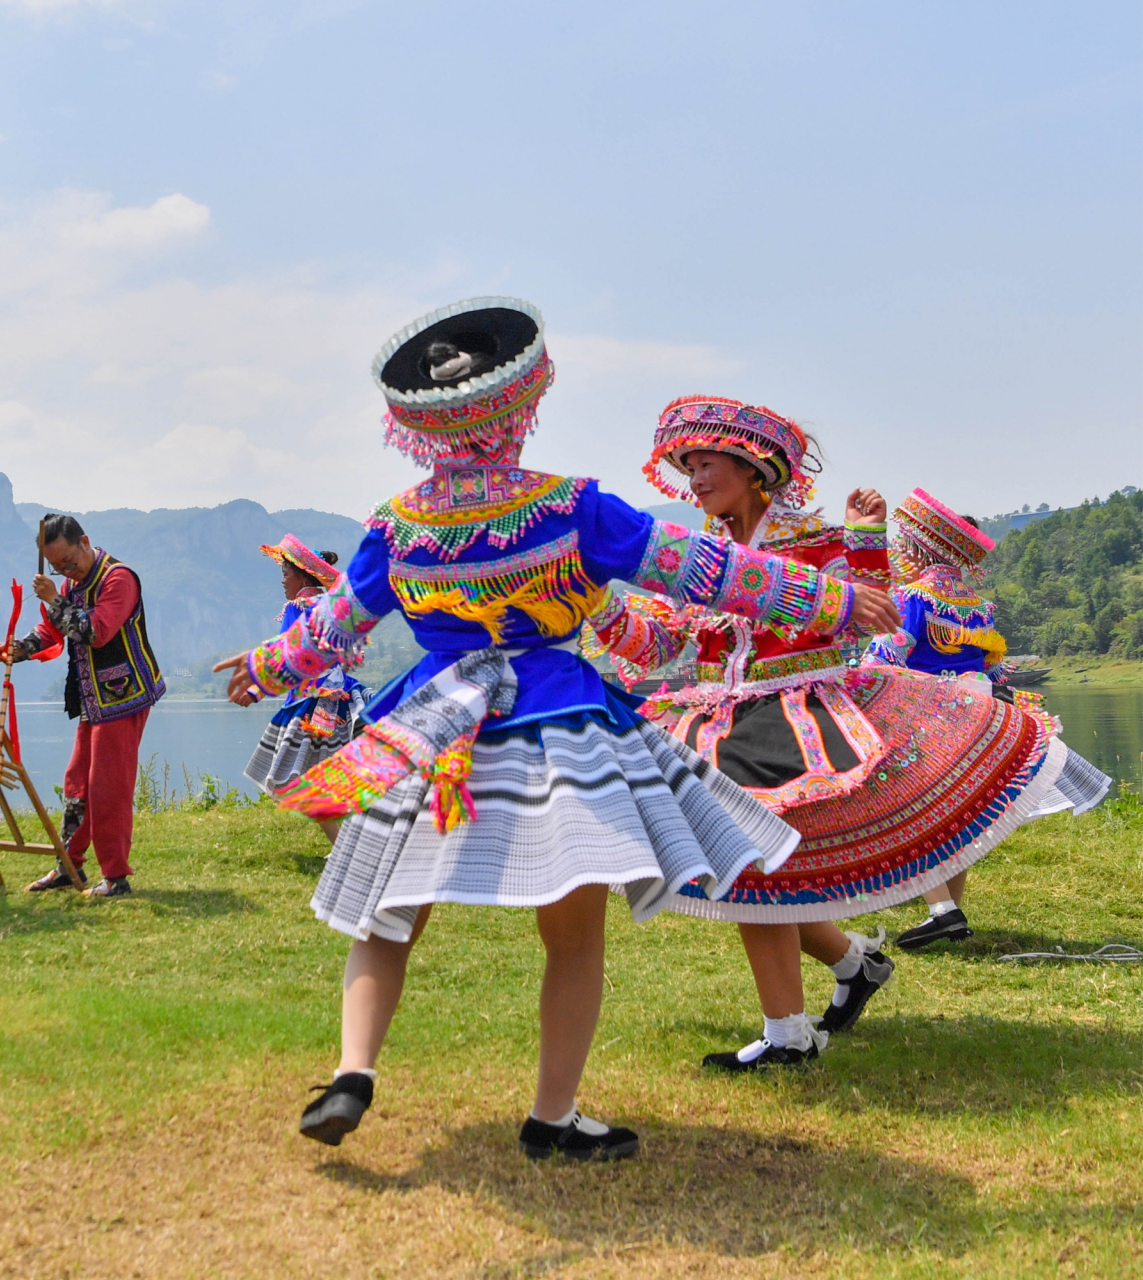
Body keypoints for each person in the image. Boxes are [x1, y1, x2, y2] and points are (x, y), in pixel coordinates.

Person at [212, 298, 896, 1162]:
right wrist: (834, 597)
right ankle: (551, 1114)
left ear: (421, 427)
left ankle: (353, 1070)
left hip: (433, 723)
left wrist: (265, 668)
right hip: (553, 721)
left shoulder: (397, 524)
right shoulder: (570, 507)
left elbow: (335, 624)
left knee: (387, 914)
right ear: (519, 407)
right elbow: (702, 570)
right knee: (571, 936)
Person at [591, 398, 1070, 1071]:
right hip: (718, 720)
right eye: (686, 467)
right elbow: (655, 643)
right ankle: (852, 964)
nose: (693, 479)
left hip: (795, 719)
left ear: (752, 467)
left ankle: (790, 1030)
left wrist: (866, 538)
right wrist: (592, 596)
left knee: (751, 872)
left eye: (705, 464)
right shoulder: (699, 560)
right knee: (754, 874)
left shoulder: (813, 542)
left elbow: (874, 621)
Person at [863, 488, 1111, 949]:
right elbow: (993, 668)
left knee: (910, 811)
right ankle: (950, 917)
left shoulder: (913, 597)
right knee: (953, 818)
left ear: (921, 549)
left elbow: (886, 655)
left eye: (905, 546)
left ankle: (941, 910)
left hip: (924, 716)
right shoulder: (977, 606)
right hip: (975, 713)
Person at [0, 514, 165, 899]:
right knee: (76, 783)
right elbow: (52, 629)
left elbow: (94, 632)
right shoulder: (70, 584)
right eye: (57, 567)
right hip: (91, 699)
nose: (65, 570)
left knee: (108, 787)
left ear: (85, 541)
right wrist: (15, 649)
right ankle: (69, 866)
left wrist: (53, 597)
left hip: (125, 695)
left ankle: (116, 877)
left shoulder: (119, 579)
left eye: (68, 561)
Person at [243, 535, 366, 840]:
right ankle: (352, 842)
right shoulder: (332, 605)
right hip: (343, 697)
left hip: (312, 704)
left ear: (301, 576)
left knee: (306, 780)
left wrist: (256, 689)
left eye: (285, 574)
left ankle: (344, 849)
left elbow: (285, 656)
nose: (283, 582)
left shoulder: (297, 607)